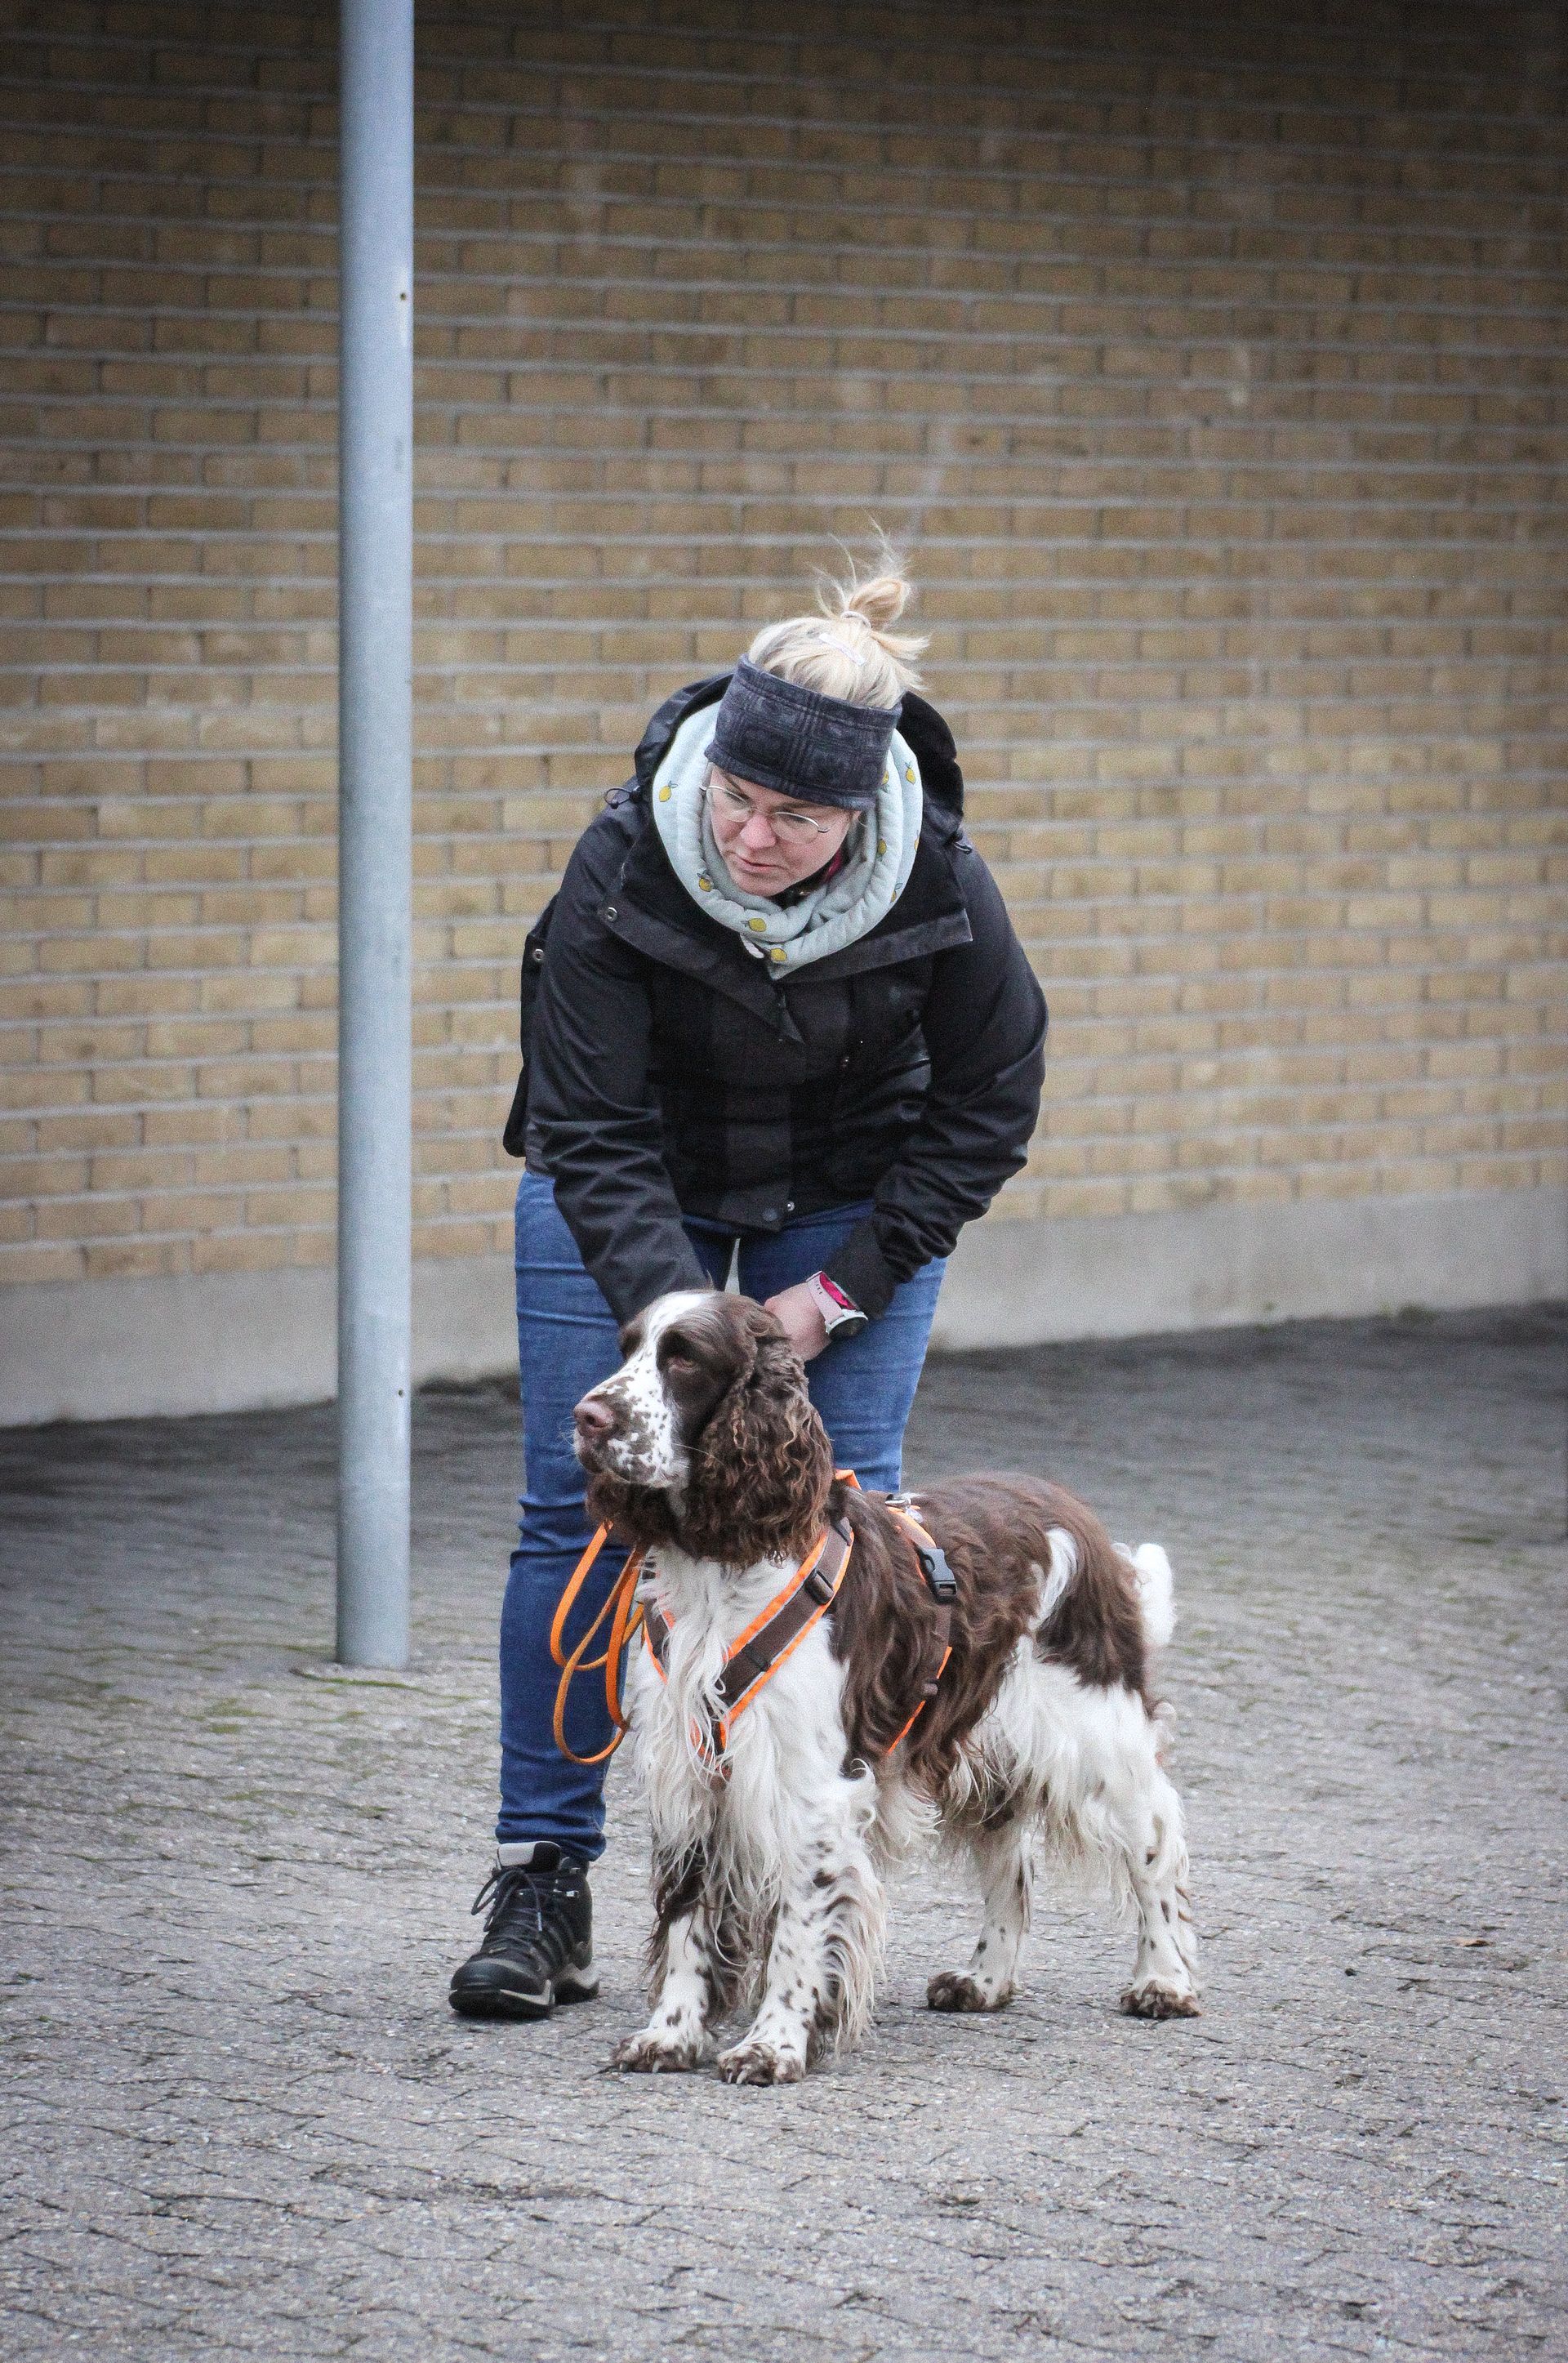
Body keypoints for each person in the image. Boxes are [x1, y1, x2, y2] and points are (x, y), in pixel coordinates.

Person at [448, 560, 1047, 2020]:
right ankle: (547, 1878)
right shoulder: (625, 856)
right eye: (737, 797)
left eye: (797, 818)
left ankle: (813, 1880)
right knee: (569, 1514)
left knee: (846, 1510)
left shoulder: (940, 874)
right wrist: (689, 1335)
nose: (752, 835)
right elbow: (586, 1125)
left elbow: (991, 1096)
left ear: (861, 813)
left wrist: (832, 1294)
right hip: (628, 1175)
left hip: (851, 1189)